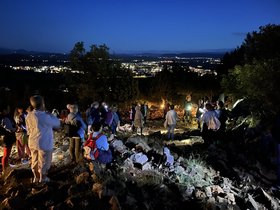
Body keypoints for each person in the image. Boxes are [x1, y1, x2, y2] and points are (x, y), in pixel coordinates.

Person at [26, 95, 60, 183]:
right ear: (42, 104)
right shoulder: (45, 116)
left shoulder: (29, 115)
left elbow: (28, 129)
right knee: (44, 161)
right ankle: (43, 178)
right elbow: (57, 123)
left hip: (32, 141)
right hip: (44, 142)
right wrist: (50, 114)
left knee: (35, 160)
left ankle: (36, 177)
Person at [0, 103, 16, 175]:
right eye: (8, 108)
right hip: (7, 138)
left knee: (7, 153)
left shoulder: (6, 117)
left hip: (8, 138)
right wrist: (15, 129)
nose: (9, 109)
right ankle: (4, 169)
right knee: (6, 154)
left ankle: (6, 165)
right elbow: (9, 129)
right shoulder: (5, 118)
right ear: (4, 110)